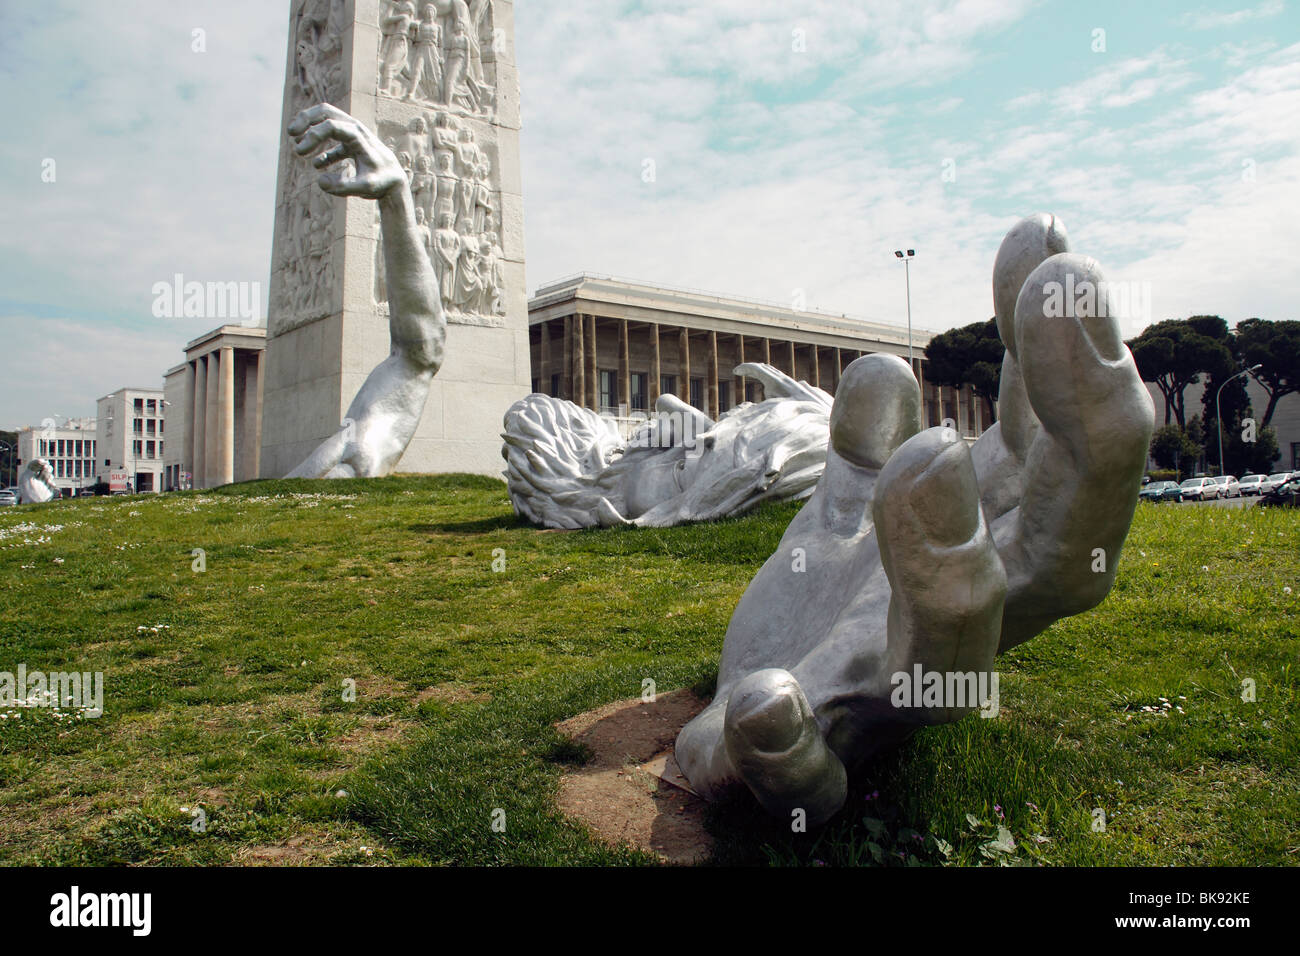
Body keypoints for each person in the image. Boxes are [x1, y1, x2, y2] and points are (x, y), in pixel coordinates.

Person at [284, 104, 447, 479]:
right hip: (369, 440)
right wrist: (397, 199)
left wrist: (397, 198)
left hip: (367, 434)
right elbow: (421, 354)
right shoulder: (359, 457)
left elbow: (421, 355)